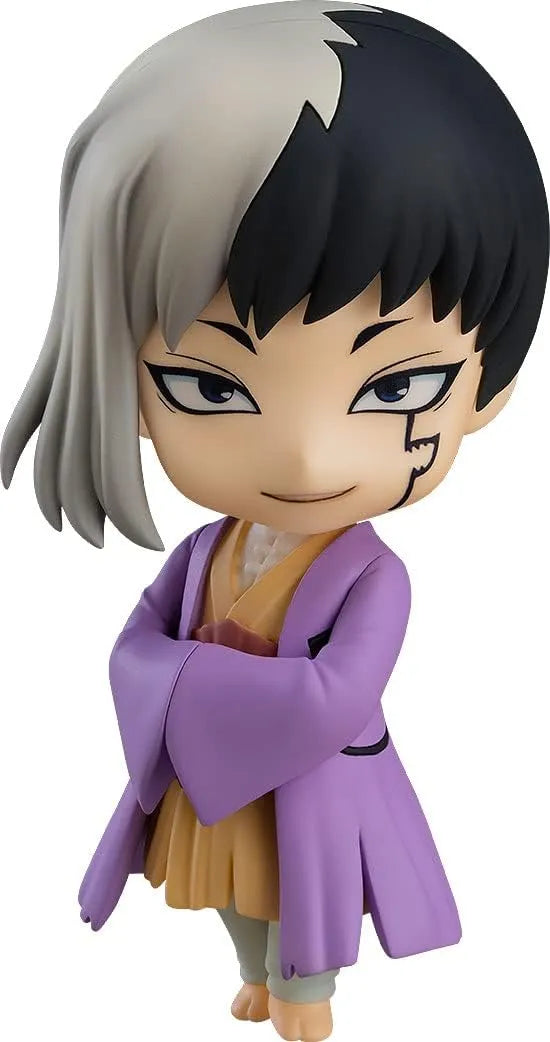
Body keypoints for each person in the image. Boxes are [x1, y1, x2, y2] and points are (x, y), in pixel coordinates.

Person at [2, 5, 547, 1040]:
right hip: (218, 785)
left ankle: (306, 991)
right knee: (224, 887)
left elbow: (335, 696)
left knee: (304, 894)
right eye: (210, 387)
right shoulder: (205, 549)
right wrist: (198, 685)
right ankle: (258, 975)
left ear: (489, 384)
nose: (305, 457)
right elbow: (132, 645)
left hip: (310, 786)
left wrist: (189, 687)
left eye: (398, 386)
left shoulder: (372, 578)